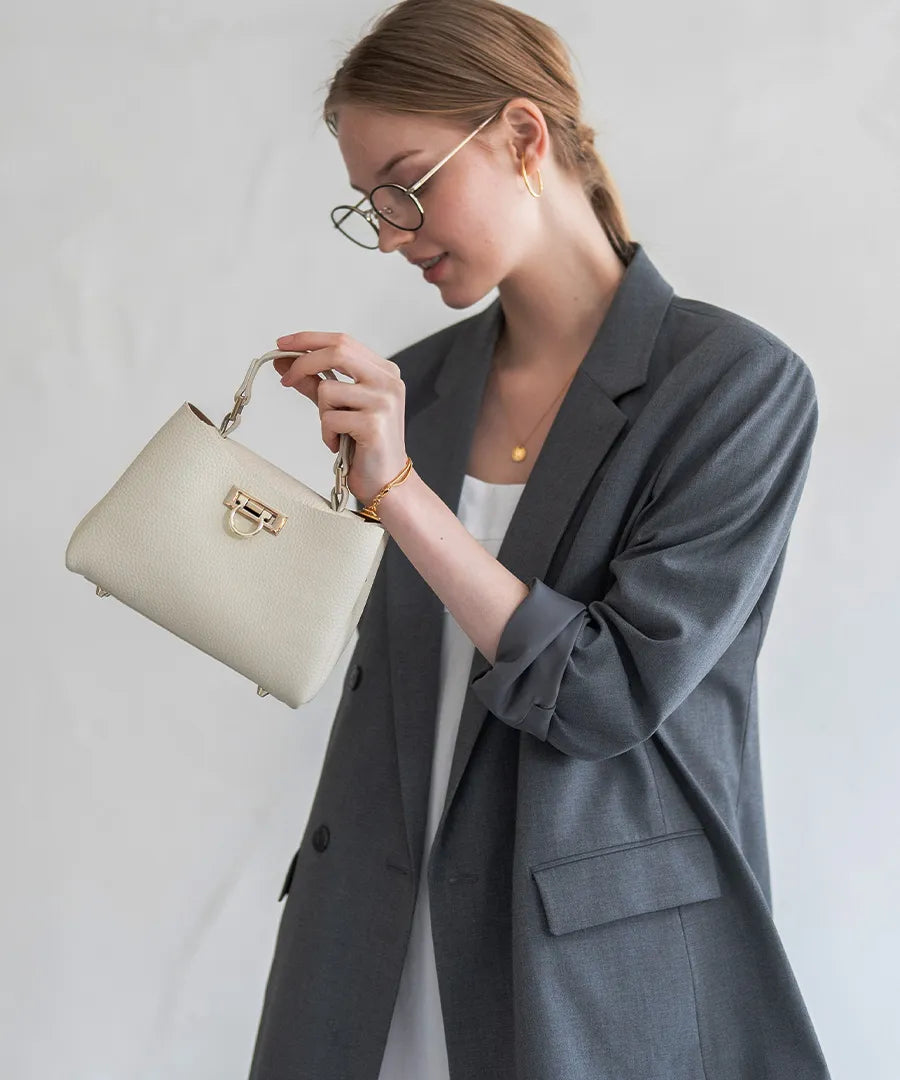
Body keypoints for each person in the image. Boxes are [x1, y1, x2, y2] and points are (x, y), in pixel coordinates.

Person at [248, 1, 832, 1078]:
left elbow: (606, 695)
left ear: (523, 137)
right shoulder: (411, 388)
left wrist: (405, 494)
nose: (387, 231)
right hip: (367, 948)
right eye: (364, 205)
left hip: (586, 968)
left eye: (406, 184)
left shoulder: (734, 388)